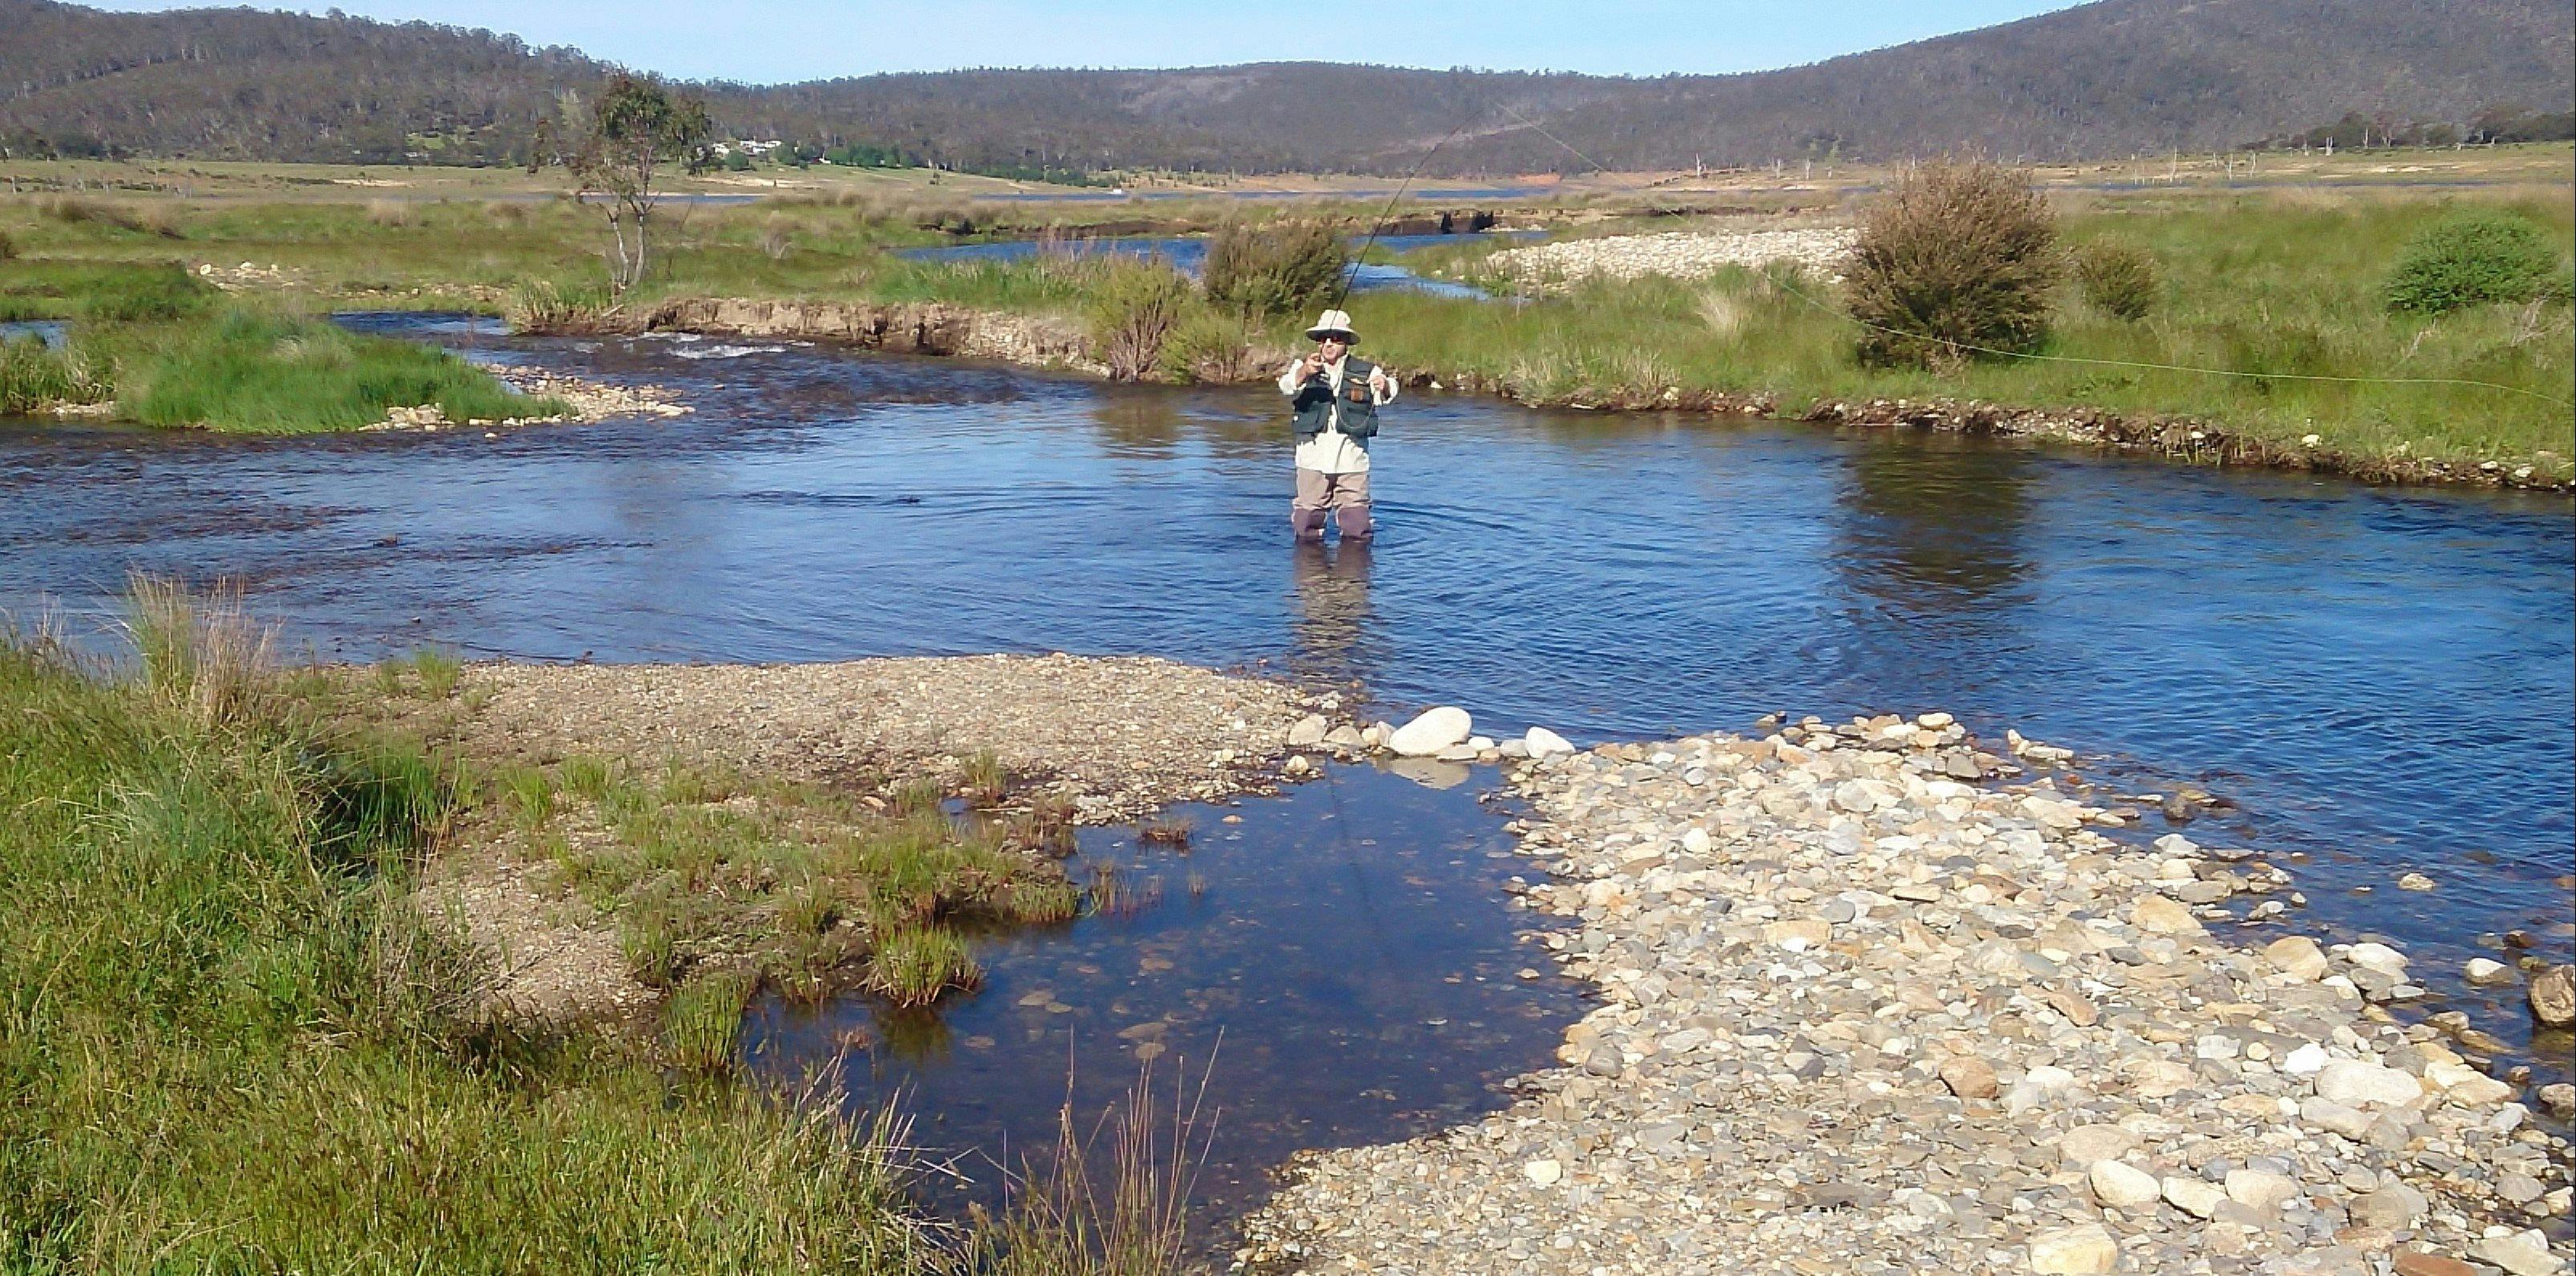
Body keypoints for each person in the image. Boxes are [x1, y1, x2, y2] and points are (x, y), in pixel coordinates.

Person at [1278, 308, 1396, 542]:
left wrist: (1384, 385)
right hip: (1312, 459)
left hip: (1352, 460)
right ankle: (1311, 576)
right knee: (1306, 524)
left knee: (1357, 526)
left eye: (1336, 338)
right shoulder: (1303, 367)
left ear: (1347, 342)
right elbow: (1287, 386)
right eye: (1324, 339)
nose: (1329, 343)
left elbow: (1390, 391)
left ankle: (1353, 577)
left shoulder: (1367, 371)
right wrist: (1304, 372)